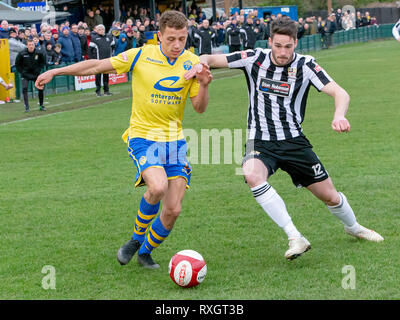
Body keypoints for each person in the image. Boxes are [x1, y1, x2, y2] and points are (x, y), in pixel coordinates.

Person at [194, 16, 384, 261]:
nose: (282, 52)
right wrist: (200, 64)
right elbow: (210, 58)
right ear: (270, 41)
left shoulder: (305, 65)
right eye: (278, 45)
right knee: (251, 174)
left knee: (330, 196)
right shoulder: (254, 58)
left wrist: (339, 115)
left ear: (296, 43)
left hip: (294, 141)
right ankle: (295, 236)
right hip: (260, 140)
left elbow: (339, 92)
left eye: (288, 46)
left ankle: (353, 227)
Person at [35, 10, 212, 269]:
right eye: (171, 39)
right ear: (158, 36)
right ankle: (135, 240)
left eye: (182, 39)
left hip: (174, 142)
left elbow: (199, 108)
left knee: (173, 210)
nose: (177, 45)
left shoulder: (192, 63)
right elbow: (96, 66)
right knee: (158, 187)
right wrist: (57, 71)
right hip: (143, 136)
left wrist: (204, 84)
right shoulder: (140, 55)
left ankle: (145, 252)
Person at [16, 39, 46, 112]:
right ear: (27, 45)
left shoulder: (39, 53)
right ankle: (26, 107)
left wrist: (38, 70)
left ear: (34, 45)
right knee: (24, 88)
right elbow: (17, 64)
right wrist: (22, 72)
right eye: (29, 45)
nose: (31, 46)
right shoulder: (22, 53)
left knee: (41, 87)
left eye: (32, 45)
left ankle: (41, 105)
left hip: (36, 74)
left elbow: (43, 62)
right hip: (25, 74)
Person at [88, 24, 115, 96]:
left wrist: (111, 56)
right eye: (99, 29)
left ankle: (106, 91)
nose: (101, 31)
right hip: (98, 61)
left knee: (106, 75)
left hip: (107, 61)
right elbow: (90, 50)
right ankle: (98, 91)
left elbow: (113, 47)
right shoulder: (94, 38)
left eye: (102, 29)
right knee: (98, 76)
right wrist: (92, 60)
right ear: (96, 30)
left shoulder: (109, 37)